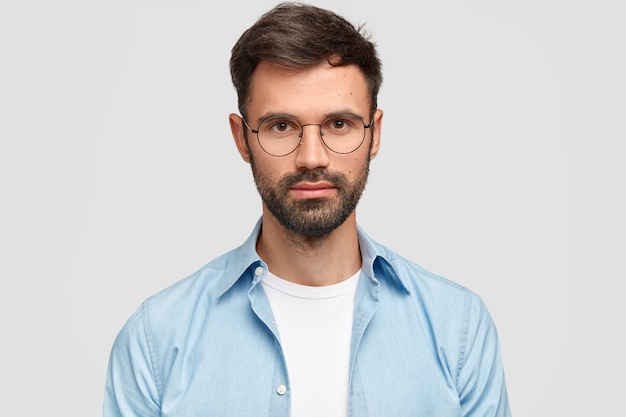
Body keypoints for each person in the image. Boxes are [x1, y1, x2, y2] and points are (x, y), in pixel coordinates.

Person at [103, 2, 511, 416]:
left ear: (375, 134)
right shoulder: (156, 339)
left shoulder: (457, 327)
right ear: (242, 138)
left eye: (339, 124)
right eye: (281, 126)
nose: (312, 157)